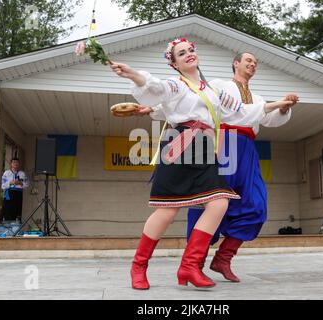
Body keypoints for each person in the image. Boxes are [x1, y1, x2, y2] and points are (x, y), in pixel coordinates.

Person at [111, 38, 296, 290]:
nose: (188, 54)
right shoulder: (175, 85)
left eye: (190, 50)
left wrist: (280, 104)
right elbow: (155, 87)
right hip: (180, 145)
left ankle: (189, 264)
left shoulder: (213, 91)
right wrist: (133, 74)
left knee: (219, 202)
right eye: (181, 53)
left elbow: (243, 111)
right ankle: (139, 266)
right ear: (174, 63)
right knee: (167, 211)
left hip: (206, 150)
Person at [186, 52, 299, 282]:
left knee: (257, 205)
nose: (252, 64)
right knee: (211, 201)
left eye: (255, 63)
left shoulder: (258, 98)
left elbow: (269, 120)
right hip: (224, 144)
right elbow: (207, 103)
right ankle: (193, 262)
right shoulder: (219, 85)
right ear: (236, 63)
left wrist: (284, 107)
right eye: (248, 60)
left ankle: (223, 259)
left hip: (247, 149)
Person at [1, 158, 29, 222]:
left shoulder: (22, 173)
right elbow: (2, 185)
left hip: (18, 194)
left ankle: (16, 227)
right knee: (8, 211)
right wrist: (10, 183)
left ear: (19, 164)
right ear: (11, 164)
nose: (15, 164)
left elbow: (27, 184)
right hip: (9, 194)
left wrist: (20, 183)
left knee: (17, 212)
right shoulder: (6, 173)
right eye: (14, 162)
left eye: (17, 162)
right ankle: (7, 227)